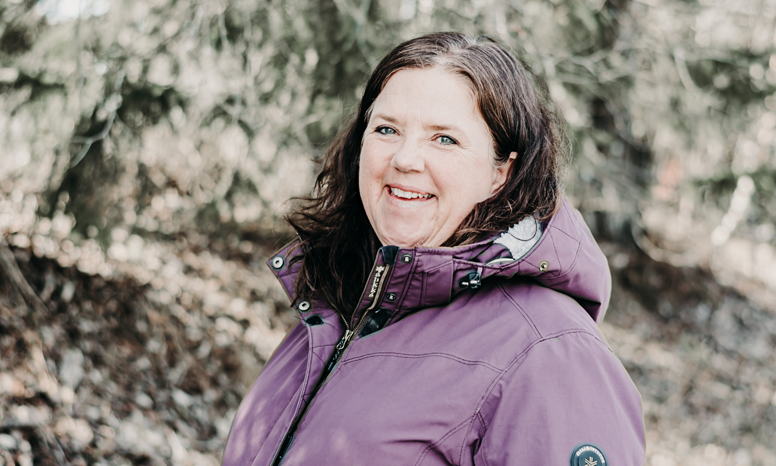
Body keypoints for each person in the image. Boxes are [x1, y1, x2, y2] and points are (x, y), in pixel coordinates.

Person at [222, 32, 645, 466]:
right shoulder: (338, 308)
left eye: (444, 139)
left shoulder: (549, 354)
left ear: (501, 172)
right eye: (387, 129)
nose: (405, 159)